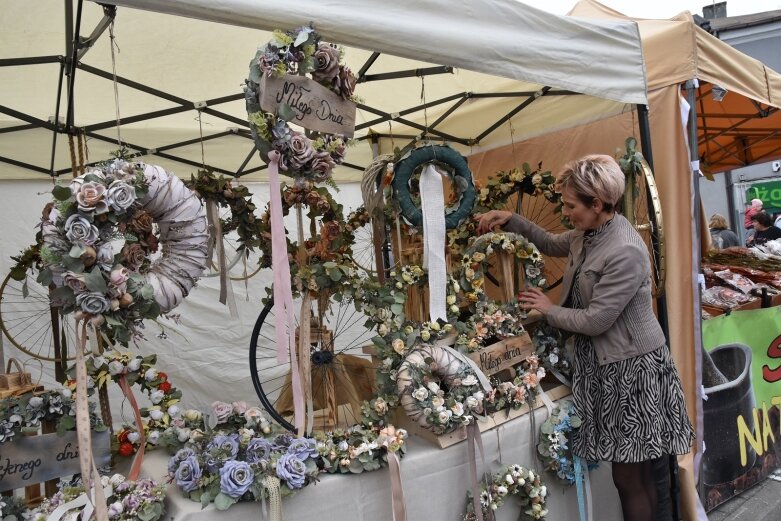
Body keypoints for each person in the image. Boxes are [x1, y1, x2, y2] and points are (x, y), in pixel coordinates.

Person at [477, 155, 693, 521]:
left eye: (571, 205)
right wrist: (512, 220)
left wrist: (547, 309)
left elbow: (597, 320)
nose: (566, 212)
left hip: (632, 373)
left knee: (629, 476)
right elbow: (551, 242)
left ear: (597, 204)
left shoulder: (624, 250)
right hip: (609, 368)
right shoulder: (590, 233)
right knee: (633, 473)